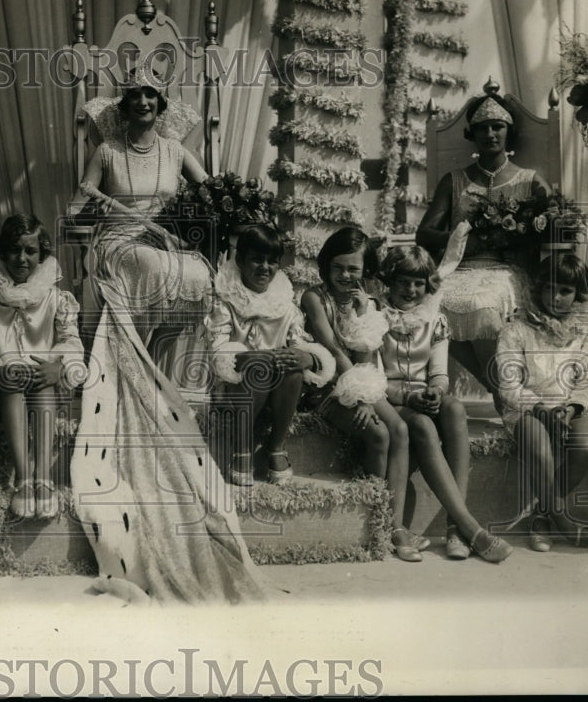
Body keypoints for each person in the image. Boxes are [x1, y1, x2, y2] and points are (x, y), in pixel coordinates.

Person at [66, 69, 265, 603]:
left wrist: (217, 216)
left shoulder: (175, 149)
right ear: (125, 107)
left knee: (198, 274)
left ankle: (175, 378)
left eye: (152, 98)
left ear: (161, 105)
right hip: (119, 240)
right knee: (153, 269)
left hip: (169, 237)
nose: (144, 106)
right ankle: (142, 373)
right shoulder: (108, 150)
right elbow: (83, 192)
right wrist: (128, 214)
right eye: (136, 99)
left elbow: (212, 188)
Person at [378, 245, 513, 562]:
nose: (411, 290)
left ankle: (454, 528)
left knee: (453, 407)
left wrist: (436, 391)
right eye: (404, 282)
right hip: (389, 401)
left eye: (419, 283)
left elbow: (438, 373)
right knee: (423, 424)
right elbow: (372, 378)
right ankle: (471, 527)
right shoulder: (375, 317)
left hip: (421, 399)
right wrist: (408, 397)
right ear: (390, 281)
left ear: (427, 286)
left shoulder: (434, 320)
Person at [416, 92, 551, 398]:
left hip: (508, 270)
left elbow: (549, 229)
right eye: (482, 128)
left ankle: (503, 389)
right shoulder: (454, 180)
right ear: (472, 134)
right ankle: (503, 390)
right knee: (430, 303)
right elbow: (424, 234)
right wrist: (465, 239)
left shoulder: (530, 180)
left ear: (508, 130)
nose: (490, 134)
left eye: (497, 126)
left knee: (483, 305)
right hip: (458, 268)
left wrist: (516, 234)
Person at [301, 226, 423, 561]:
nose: (344, 275)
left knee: (399, 428)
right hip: (326, 384)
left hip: (364, 380)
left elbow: (368, 353)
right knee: (379, 434)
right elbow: (334, 352)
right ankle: (370, 522)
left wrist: (359, 314)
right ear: (326, 265)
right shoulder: (315, 297)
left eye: (353, 269)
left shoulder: (368, 302)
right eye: (338, 267)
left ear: (365, 271)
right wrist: (361, 398)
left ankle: (394, 525)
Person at [0, 215, 83, 520]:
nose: (22, 258)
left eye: (30, 251)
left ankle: (42, 479)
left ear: (42, 255)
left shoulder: (57, 299)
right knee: (13, 380)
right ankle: (23, 479)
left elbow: (72, 342)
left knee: (42, 381)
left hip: (44, 390)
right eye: (14, 250)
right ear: (2, 253)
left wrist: (60, 366)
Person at [496, 254, 588, 551]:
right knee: (540, 448)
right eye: (549, 288)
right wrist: (541, 409)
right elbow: (508, 387)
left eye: (565, 291)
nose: (555, 298)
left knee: (586, 447)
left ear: (579, 294)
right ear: (538, 288)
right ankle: (562, 519)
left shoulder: (587, 333)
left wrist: (570, 409)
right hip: (526, 407)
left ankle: (540, 515)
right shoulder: (516, 329)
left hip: (570, 407)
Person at [208, 224, 335, 486]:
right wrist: (246, 358)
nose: (264, 267)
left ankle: (276, 446)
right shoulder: (226, 301)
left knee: (293, 365)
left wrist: (307, 358)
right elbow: (217, 348)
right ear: (240, 261)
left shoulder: (284, 305)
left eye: (272, 262)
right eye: (256, 259)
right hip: (237, 384)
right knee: (260, 362)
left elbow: (298, 342)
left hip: (278, 389)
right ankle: (242, 448)